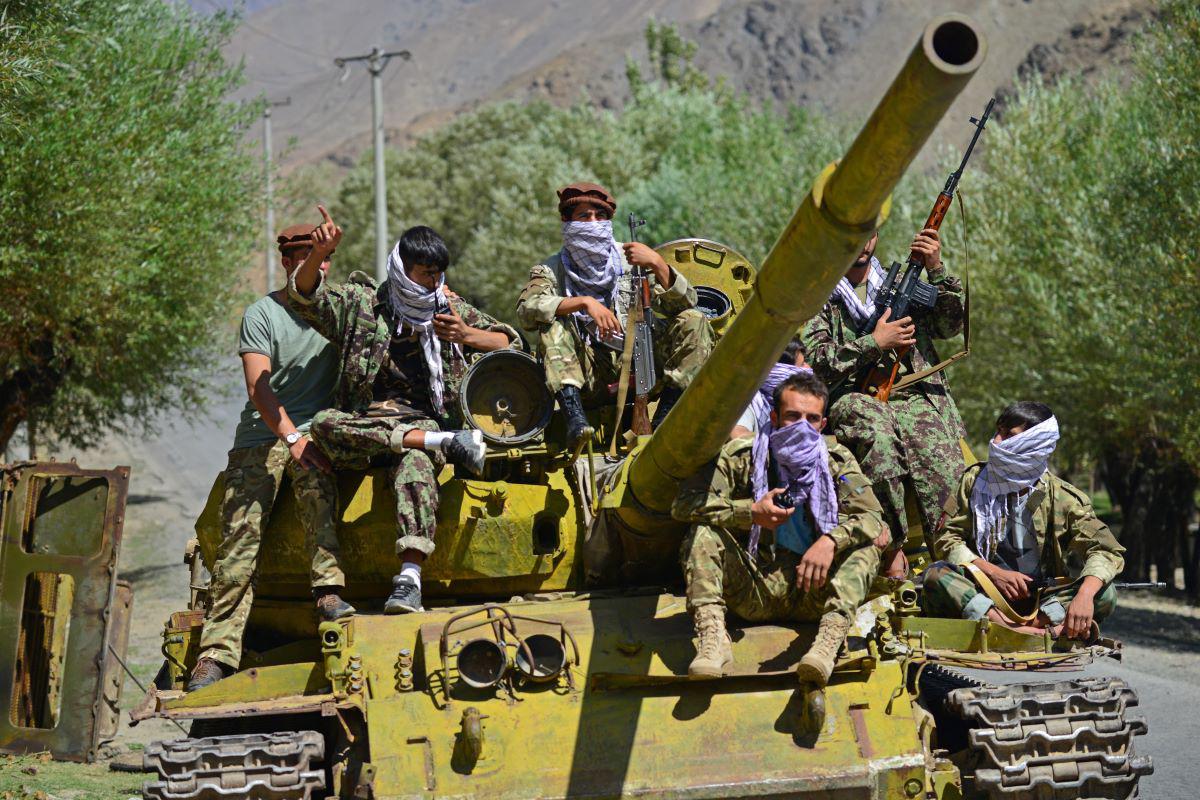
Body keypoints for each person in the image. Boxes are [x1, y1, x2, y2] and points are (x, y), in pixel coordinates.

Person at [288, 209, 520, 615]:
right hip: (364, 426)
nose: (432, 283)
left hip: (421, 424)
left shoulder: (448, 309)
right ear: (401, 268)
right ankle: (445, 443)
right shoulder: (363, 305)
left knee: (415, 462)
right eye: (424, 274)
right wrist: (317, 255)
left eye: (437, 274)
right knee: (324, 424)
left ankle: (409, 582)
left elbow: (510, 344)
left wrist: (467, 336)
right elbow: (308, 297)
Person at [189, 222, 352, 692]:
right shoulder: (261, 314)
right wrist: (290, 438)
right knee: (238, 546)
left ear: (329, 261)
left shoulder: (342, 310)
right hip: (263, 436)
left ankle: (328, 593)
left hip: (319, 433)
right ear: (285, 262)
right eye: (300, 255)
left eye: (320, 256)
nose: (311, 264)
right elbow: (259, 387)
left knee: (317, 484)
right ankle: (216, 655)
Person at [672, 372, 889, 685]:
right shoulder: (742, 457)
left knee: (865, 548)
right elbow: (684, 506)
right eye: (792, 416)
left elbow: (872, 516)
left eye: (812, 418)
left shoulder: (836, 461)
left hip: (814, 590)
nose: (802, 425)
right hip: (755, 589)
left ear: (822, 425)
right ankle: (713, 638)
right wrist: (749, 512)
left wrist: (830, 541)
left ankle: (827, 644)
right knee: (702, 535)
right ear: (773, 417)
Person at [802, 228, 966, 578]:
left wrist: (936, 269)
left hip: (915, 395)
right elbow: (815, 362)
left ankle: (957, 564)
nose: (862, 243)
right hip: (855, 396)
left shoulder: (900, 281)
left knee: (945, 465)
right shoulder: (816, 295)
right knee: (876, 436)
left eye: (868, 234)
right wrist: (874, 342)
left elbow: (950, 326)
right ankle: (890, 547)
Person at [516, 182, 714, 448]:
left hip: (642, 362)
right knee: (552, 327)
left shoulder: (631, 260)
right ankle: (575, 418)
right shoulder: (550, 270)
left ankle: (666, 417)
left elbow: (686, 303)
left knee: (694, 320)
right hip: (588, 373)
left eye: (601, 216)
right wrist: (582, 302)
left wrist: (657, 263)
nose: (594, 223)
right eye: (584, 217)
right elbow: (527, 310)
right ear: (566, 221)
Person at [924, 402, 1125, 639]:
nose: (996, 442)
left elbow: (1104, 549)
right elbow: (946, 539)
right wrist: (992, 574)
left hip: (1041, 601)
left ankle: (1034, 625)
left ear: (1034, 442)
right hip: (983, 593)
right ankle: (1016, 630)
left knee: (1104, 592)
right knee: (936, 575)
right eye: (997, 431)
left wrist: (1084, 596)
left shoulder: (1063, 497)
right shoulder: (974, 482)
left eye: (1009, 435)